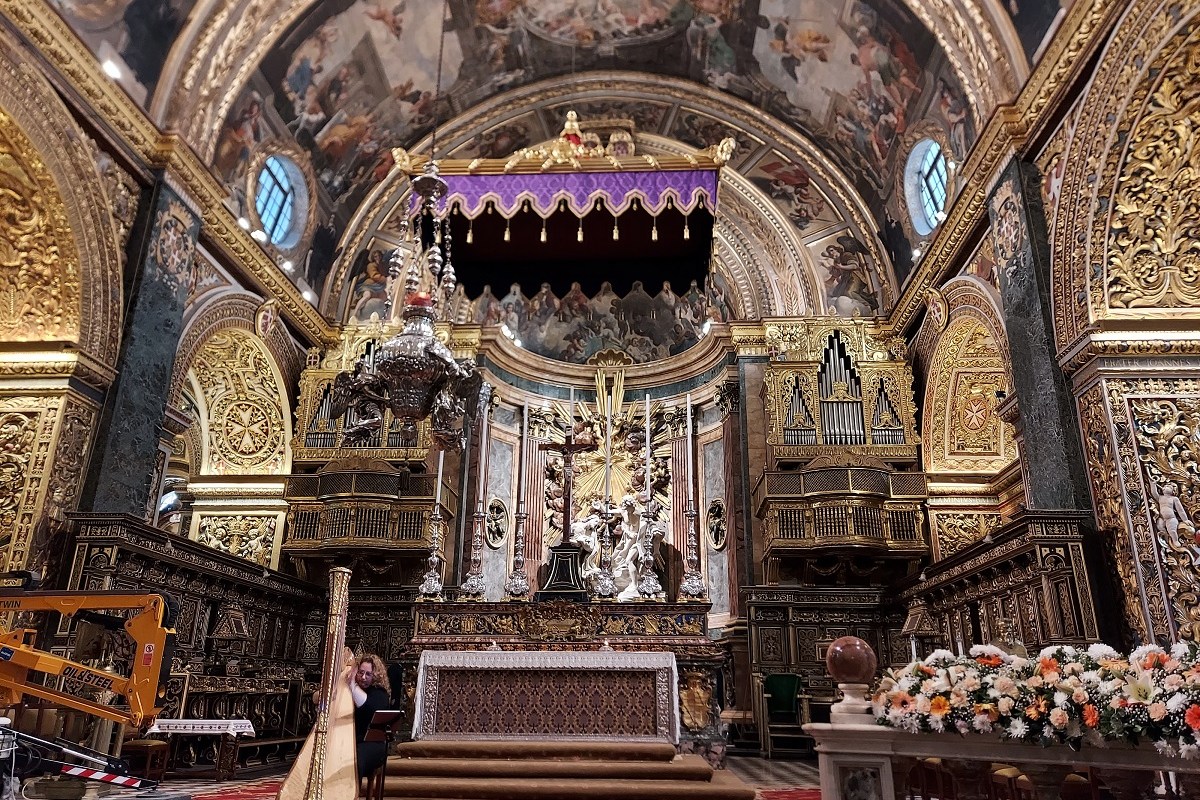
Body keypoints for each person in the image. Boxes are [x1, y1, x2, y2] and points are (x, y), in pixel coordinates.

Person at [350, 654, 391, 781]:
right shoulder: (346, 690)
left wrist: (351, 683)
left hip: (373, 745)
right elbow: (316, 698)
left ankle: (351, 790)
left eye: (368, 674)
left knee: (356, 759)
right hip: (352, 742)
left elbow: (367, 706)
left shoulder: (380, 693)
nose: (363, 677)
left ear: (376, 676)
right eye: (361, 672)